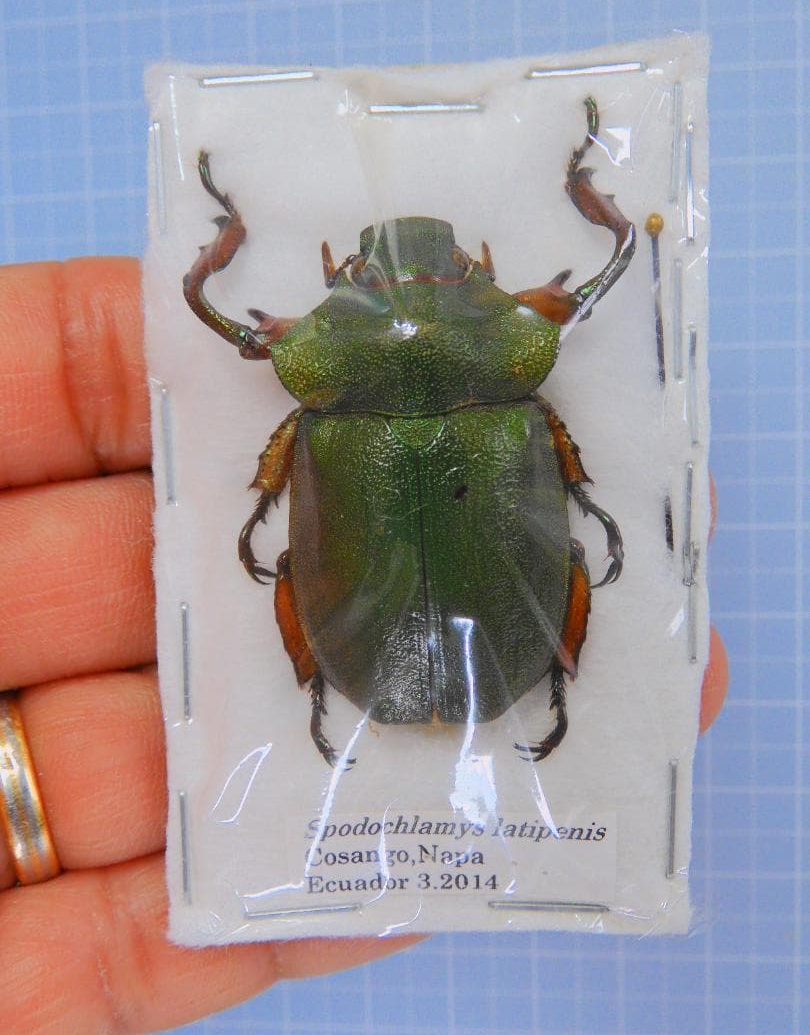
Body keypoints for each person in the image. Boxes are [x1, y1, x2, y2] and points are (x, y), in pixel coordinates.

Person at [0, 258, 728, 1033]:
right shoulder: (523, 409)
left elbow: (231, 332)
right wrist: (579, 486)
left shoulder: (317, 420)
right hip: (482, 658)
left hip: (383, 663)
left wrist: (262, 484)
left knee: (288, 565)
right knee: (571, 558)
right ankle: (547, 674)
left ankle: (322, 679)